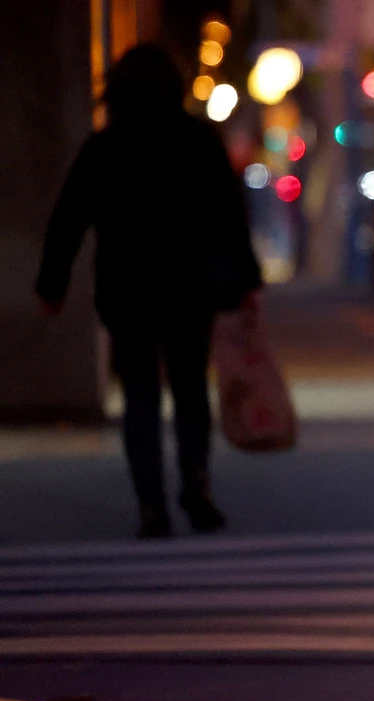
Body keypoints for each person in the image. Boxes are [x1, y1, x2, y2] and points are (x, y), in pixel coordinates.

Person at [36, 45, 261, 539]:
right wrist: (245, 282)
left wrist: (52, 284)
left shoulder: (105, 147)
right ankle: (196, 489)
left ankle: (151, 506)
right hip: (189, 287)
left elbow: (68, 219)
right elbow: (229, 216)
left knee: (139, 396)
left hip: (128, 289)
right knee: (189, 392)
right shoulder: (199, 140)